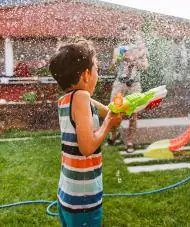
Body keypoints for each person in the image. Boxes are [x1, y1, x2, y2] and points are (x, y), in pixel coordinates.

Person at [49, 38, 123, 226]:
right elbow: (87, 147)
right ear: (85, 75)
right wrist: (108, 124)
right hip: (83, 198)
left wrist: (127, 107)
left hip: (68, 193)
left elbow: (108, 112)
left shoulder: (66, 100)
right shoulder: (82, 97)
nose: (98, 73)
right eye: (97, 68)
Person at [107, 34, 148, 153]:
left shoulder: (141, 53)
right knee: (113, 110)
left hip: (134, 85)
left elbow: (145, 67)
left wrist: (134, 61)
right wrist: (117, 60)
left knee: (133, 114)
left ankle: (130, 141)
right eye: (124, 38)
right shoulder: (119, 50)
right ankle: (113, 135)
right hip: (119, 84)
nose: (127, 40)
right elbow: (112, 67)